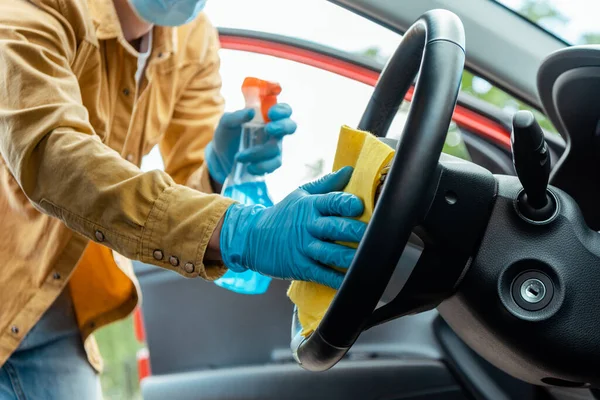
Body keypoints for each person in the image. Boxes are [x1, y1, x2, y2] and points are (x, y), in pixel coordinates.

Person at [0, 0, 367, 398]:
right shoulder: (32, 8)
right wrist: (241, 230)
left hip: (54, 310)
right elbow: (54, 158)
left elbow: (189, 190)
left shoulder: (192, 37)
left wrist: (217, 166)